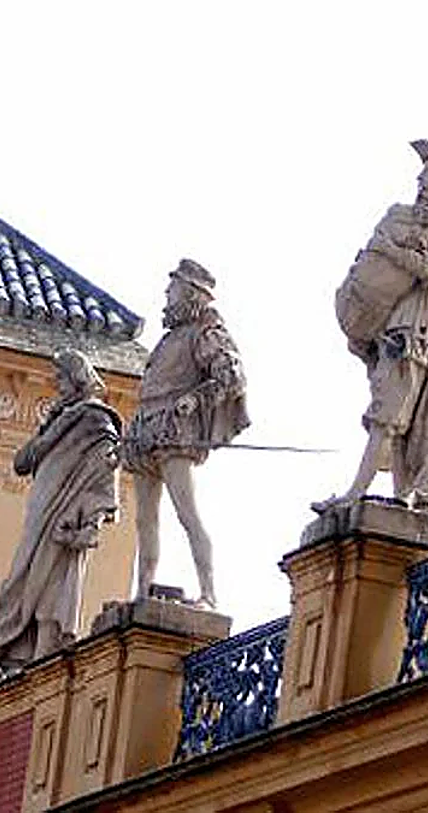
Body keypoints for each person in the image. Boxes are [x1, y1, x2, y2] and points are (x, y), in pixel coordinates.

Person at [315, 141, 428, 513]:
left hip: (416, 336)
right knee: (397, 423)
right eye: (422, 190)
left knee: (388, 418)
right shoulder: (404, 222)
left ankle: (356, 494)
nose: (424, 199)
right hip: (393, 332)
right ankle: (399, 495)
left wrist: (390, 250)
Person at [0, 349, 121, 670]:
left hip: (65, 511)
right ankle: (13, 651)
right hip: (41, 508)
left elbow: (105, 470)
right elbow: (21, 463)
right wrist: (49, 428)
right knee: (21, 576)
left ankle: (39, 655)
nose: (57, 384)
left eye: (61, 377)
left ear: (76, 377)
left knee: (53, 584)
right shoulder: (60, 419)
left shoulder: (95, 419)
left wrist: (92, 521)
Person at [120, 259, 249, 607]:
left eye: (172, 287)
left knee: (186, 512)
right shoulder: (169, 339)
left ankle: (208, 592)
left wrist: (195, 399)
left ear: (189, 292)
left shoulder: (205, 330)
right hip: (147, 428)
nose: (166, 293)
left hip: (175, 432)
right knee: (144, 519)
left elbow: (230, 376)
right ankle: (142, 592)